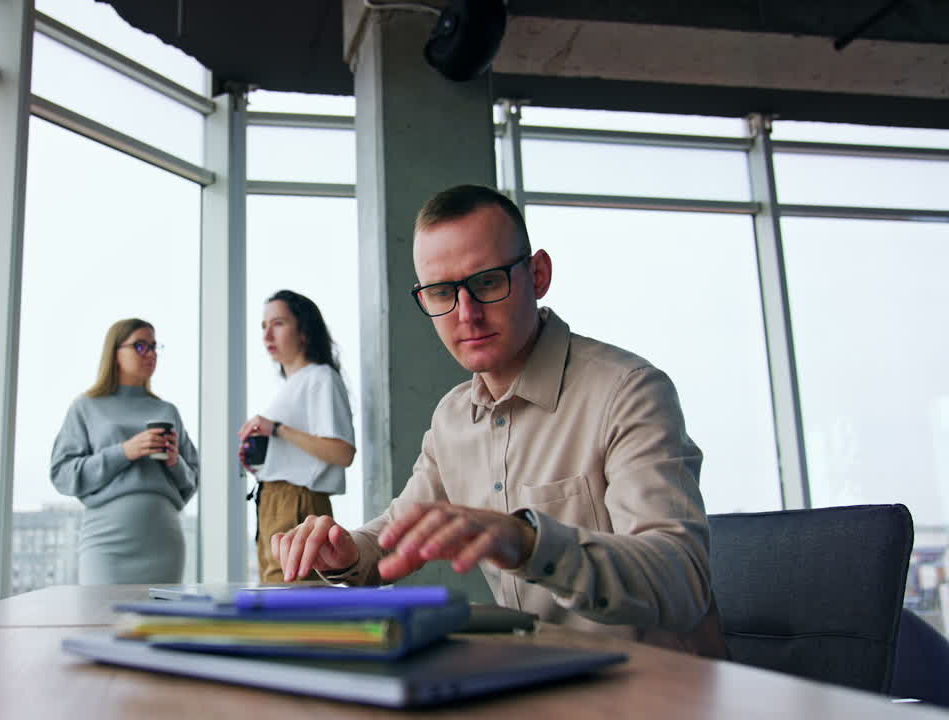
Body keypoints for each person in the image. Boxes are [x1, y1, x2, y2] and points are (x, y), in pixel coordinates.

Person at [271, 185, 726, 657]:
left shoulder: (628, 391)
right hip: (542, 679)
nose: (466, 314)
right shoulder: (452, 417)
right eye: (442, 291)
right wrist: (345, 550)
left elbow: (682, 580)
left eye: (487, 282)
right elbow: (397, 529)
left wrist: (531, 543)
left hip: (659, 688)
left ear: (538, 274)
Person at [51, 318, 199, 584]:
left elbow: (192, 482)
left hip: (164, 541)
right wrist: (125, 452)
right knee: (101, 622)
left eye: (154, 347)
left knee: (160, 624)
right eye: (140, 346)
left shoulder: (167, 411)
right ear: (115, 353)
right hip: (107, 542)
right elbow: (62, 473)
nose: (151, 354)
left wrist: (175, 462)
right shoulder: (86, 407)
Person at [239, 290, 357, 584]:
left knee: (291, 598)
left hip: (297, 502)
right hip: (273, 501)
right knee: (277, 592)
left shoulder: (320, 377)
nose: (268, 334)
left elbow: (343, 452)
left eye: (278, 323)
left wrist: (277, 429)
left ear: (304, 330)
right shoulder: (291, 385)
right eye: (264, 326)